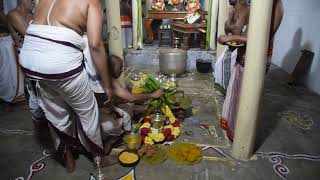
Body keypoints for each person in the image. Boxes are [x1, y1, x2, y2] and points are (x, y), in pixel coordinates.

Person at [19, 0, 115, 172]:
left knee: (56, 112)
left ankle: (67, 157)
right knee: (88, 111)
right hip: (59, 64)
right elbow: (95, 45)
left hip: (29, 60)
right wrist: (107, 86)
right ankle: (99, 158)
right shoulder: (91, 1)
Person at [218, 0, 284, 140]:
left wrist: (232, 37)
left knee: (246, 98)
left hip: (254, 59)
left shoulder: (276, 7)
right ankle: (233, 128)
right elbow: (246, 32)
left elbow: (261, 38)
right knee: (238, 94)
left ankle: (242, 137)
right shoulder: (260, 6)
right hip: (244, 55)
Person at [214, 0, 249, 94]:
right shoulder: (232, 11)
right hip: (233, 46)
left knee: (225, 67)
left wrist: (230, 36)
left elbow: (248, 37)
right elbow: (227, 30)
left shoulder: (247, 10)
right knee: (219, 65)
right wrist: (229, 22)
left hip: (244, 49)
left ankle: (230, 92)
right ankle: (228, 92)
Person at [0, 0, 25, 103]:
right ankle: (11, 94)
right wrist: (12, 24)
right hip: (6, 36)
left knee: (11, 68)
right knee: (8, 68)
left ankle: (16, 92)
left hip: (10, 34)